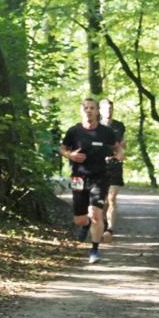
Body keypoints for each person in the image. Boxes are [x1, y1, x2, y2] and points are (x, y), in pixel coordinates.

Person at [60, 98, 123, 264]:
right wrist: (70, 155)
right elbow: (63, 148)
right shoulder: (74, 131)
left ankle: (94, 250)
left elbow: (117, 147)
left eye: (92, 108)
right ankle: (85, 224)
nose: (89, 111)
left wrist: (119, 155)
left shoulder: (106, 132)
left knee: (96, 214)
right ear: (82, 110)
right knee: (79, 219)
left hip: (100, 176)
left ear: (97, 112)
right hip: (78, 177)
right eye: (86, 108)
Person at [99, 98, 126, 242]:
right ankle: (102, 223)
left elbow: (123, 144)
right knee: (103, 200)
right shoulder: (96, 126)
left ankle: (110, 228)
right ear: (100, 110)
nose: (109, 111)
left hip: (115, 165)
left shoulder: (119, 126)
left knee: (112, 198)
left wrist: (120, 153)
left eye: (111, 108)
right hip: (99, 166)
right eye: (106, 108)